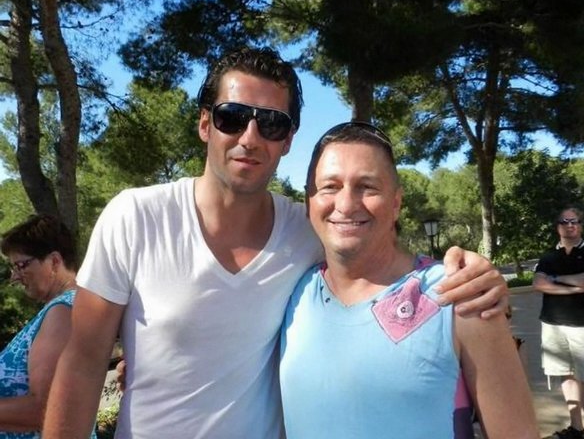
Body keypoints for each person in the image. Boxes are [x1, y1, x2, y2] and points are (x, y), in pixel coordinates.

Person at [43, 47, 509, 439]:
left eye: (271, 124)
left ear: (287, 140)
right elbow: (83, 362)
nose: (250, 137)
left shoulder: (308, 230)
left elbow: (379, 257)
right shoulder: (135, 217)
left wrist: (471, 275)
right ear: (205, 124)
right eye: (232, 117)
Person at [279, 122, 538, 438]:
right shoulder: (292, 293)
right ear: (309, 202)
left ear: (396, 203)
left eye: (367, 187)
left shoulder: (460, 294)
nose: (346, 205)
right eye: (330, 187)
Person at [0, 215, 95, 439]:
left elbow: (48, 408)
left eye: (20, 265)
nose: (14, 277)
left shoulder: (63, 312)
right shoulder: (64, 308)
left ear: (54, 261)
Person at [533, 208, 584, 439]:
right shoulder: (548, 257)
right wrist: (574, 288)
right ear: (558, 226)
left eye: (574, 221)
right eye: (564, 221)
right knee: (565, 375)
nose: (570, 225)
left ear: (581, 225)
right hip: (552, 324)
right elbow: (538, 283)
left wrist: (557, 279)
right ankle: (576, 428)